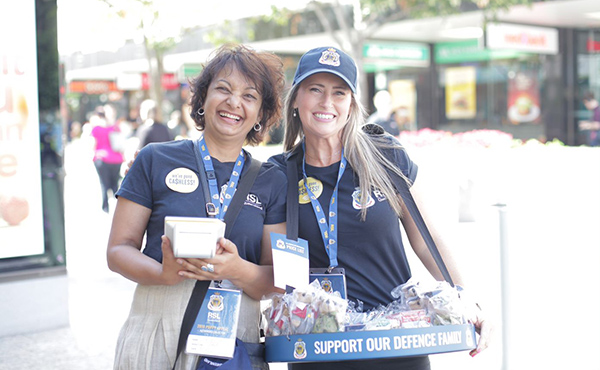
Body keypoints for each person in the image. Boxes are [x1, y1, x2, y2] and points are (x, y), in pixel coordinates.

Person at [268, 46, 492, 369]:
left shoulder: (385, 155)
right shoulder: (278, 174)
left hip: (396, 347)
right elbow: (267, 265)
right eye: (314, 89)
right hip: (318, 350)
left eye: (339, 92)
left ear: (351, 104)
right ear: (296, 99)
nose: (326, 103)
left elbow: (428, 241)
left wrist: (469, 299)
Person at [107, 44, 287, 370]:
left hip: (233, 346)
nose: (234, 102)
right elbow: (118, 250)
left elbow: (276, 280)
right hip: (155, 335)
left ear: (261, 114)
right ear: (202, 98)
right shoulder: (154, 159)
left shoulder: (272, 180)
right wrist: (162, 273)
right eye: (223, 89)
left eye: (249, 96)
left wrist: (235, 269)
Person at [89, 105, 124, 213]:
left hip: (102, 159)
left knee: (104, 184)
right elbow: (120, 144)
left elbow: (92, 145)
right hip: (116, 160)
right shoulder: (115, 128)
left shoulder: (96, 129)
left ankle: (105, 208)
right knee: (115, 185)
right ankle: (117, 209)